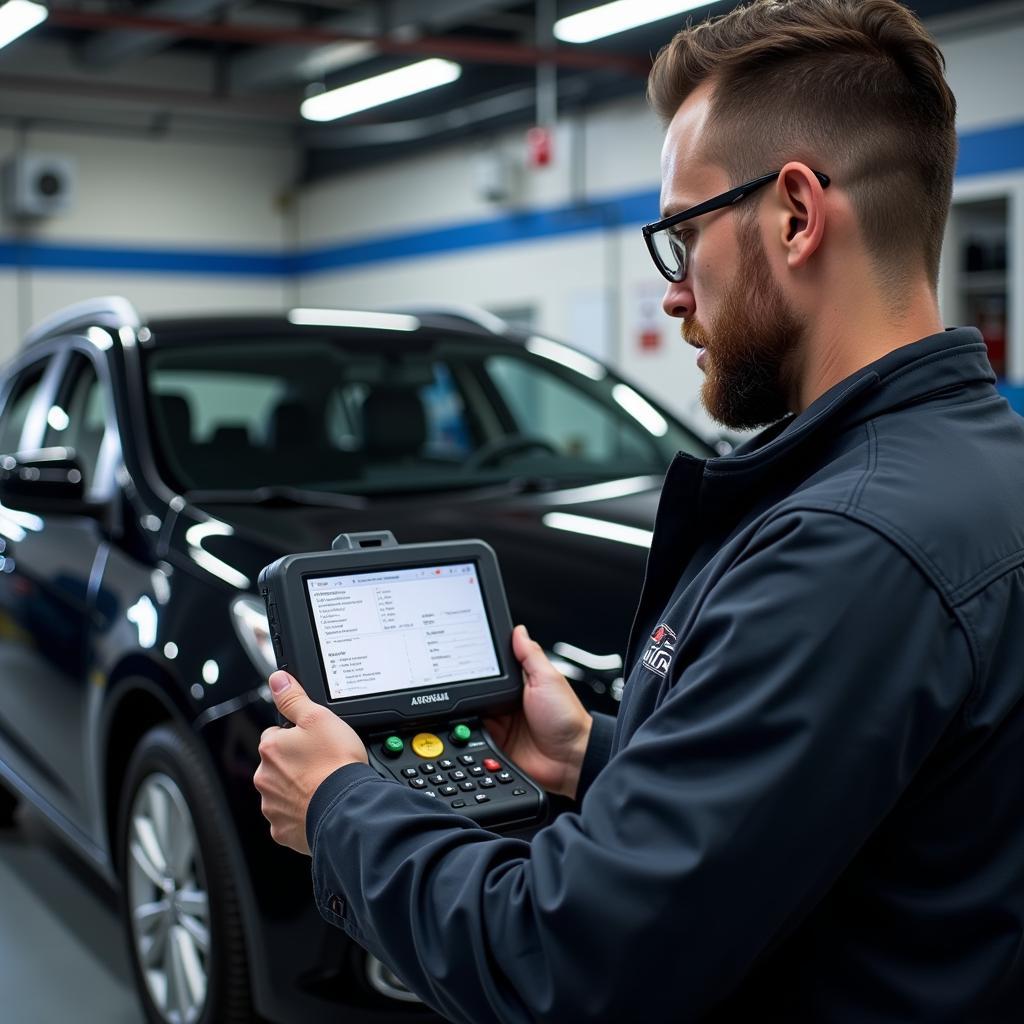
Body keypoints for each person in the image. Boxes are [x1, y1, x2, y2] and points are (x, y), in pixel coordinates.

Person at [253, 0, 1024, 1019]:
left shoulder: (845, 548)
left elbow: (563, 963)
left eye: (681, 234)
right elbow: (843, 803)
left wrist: (342, 807)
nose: (671, 293)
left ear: (794, 213)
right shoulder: (981, 468)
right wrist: (590, 752)